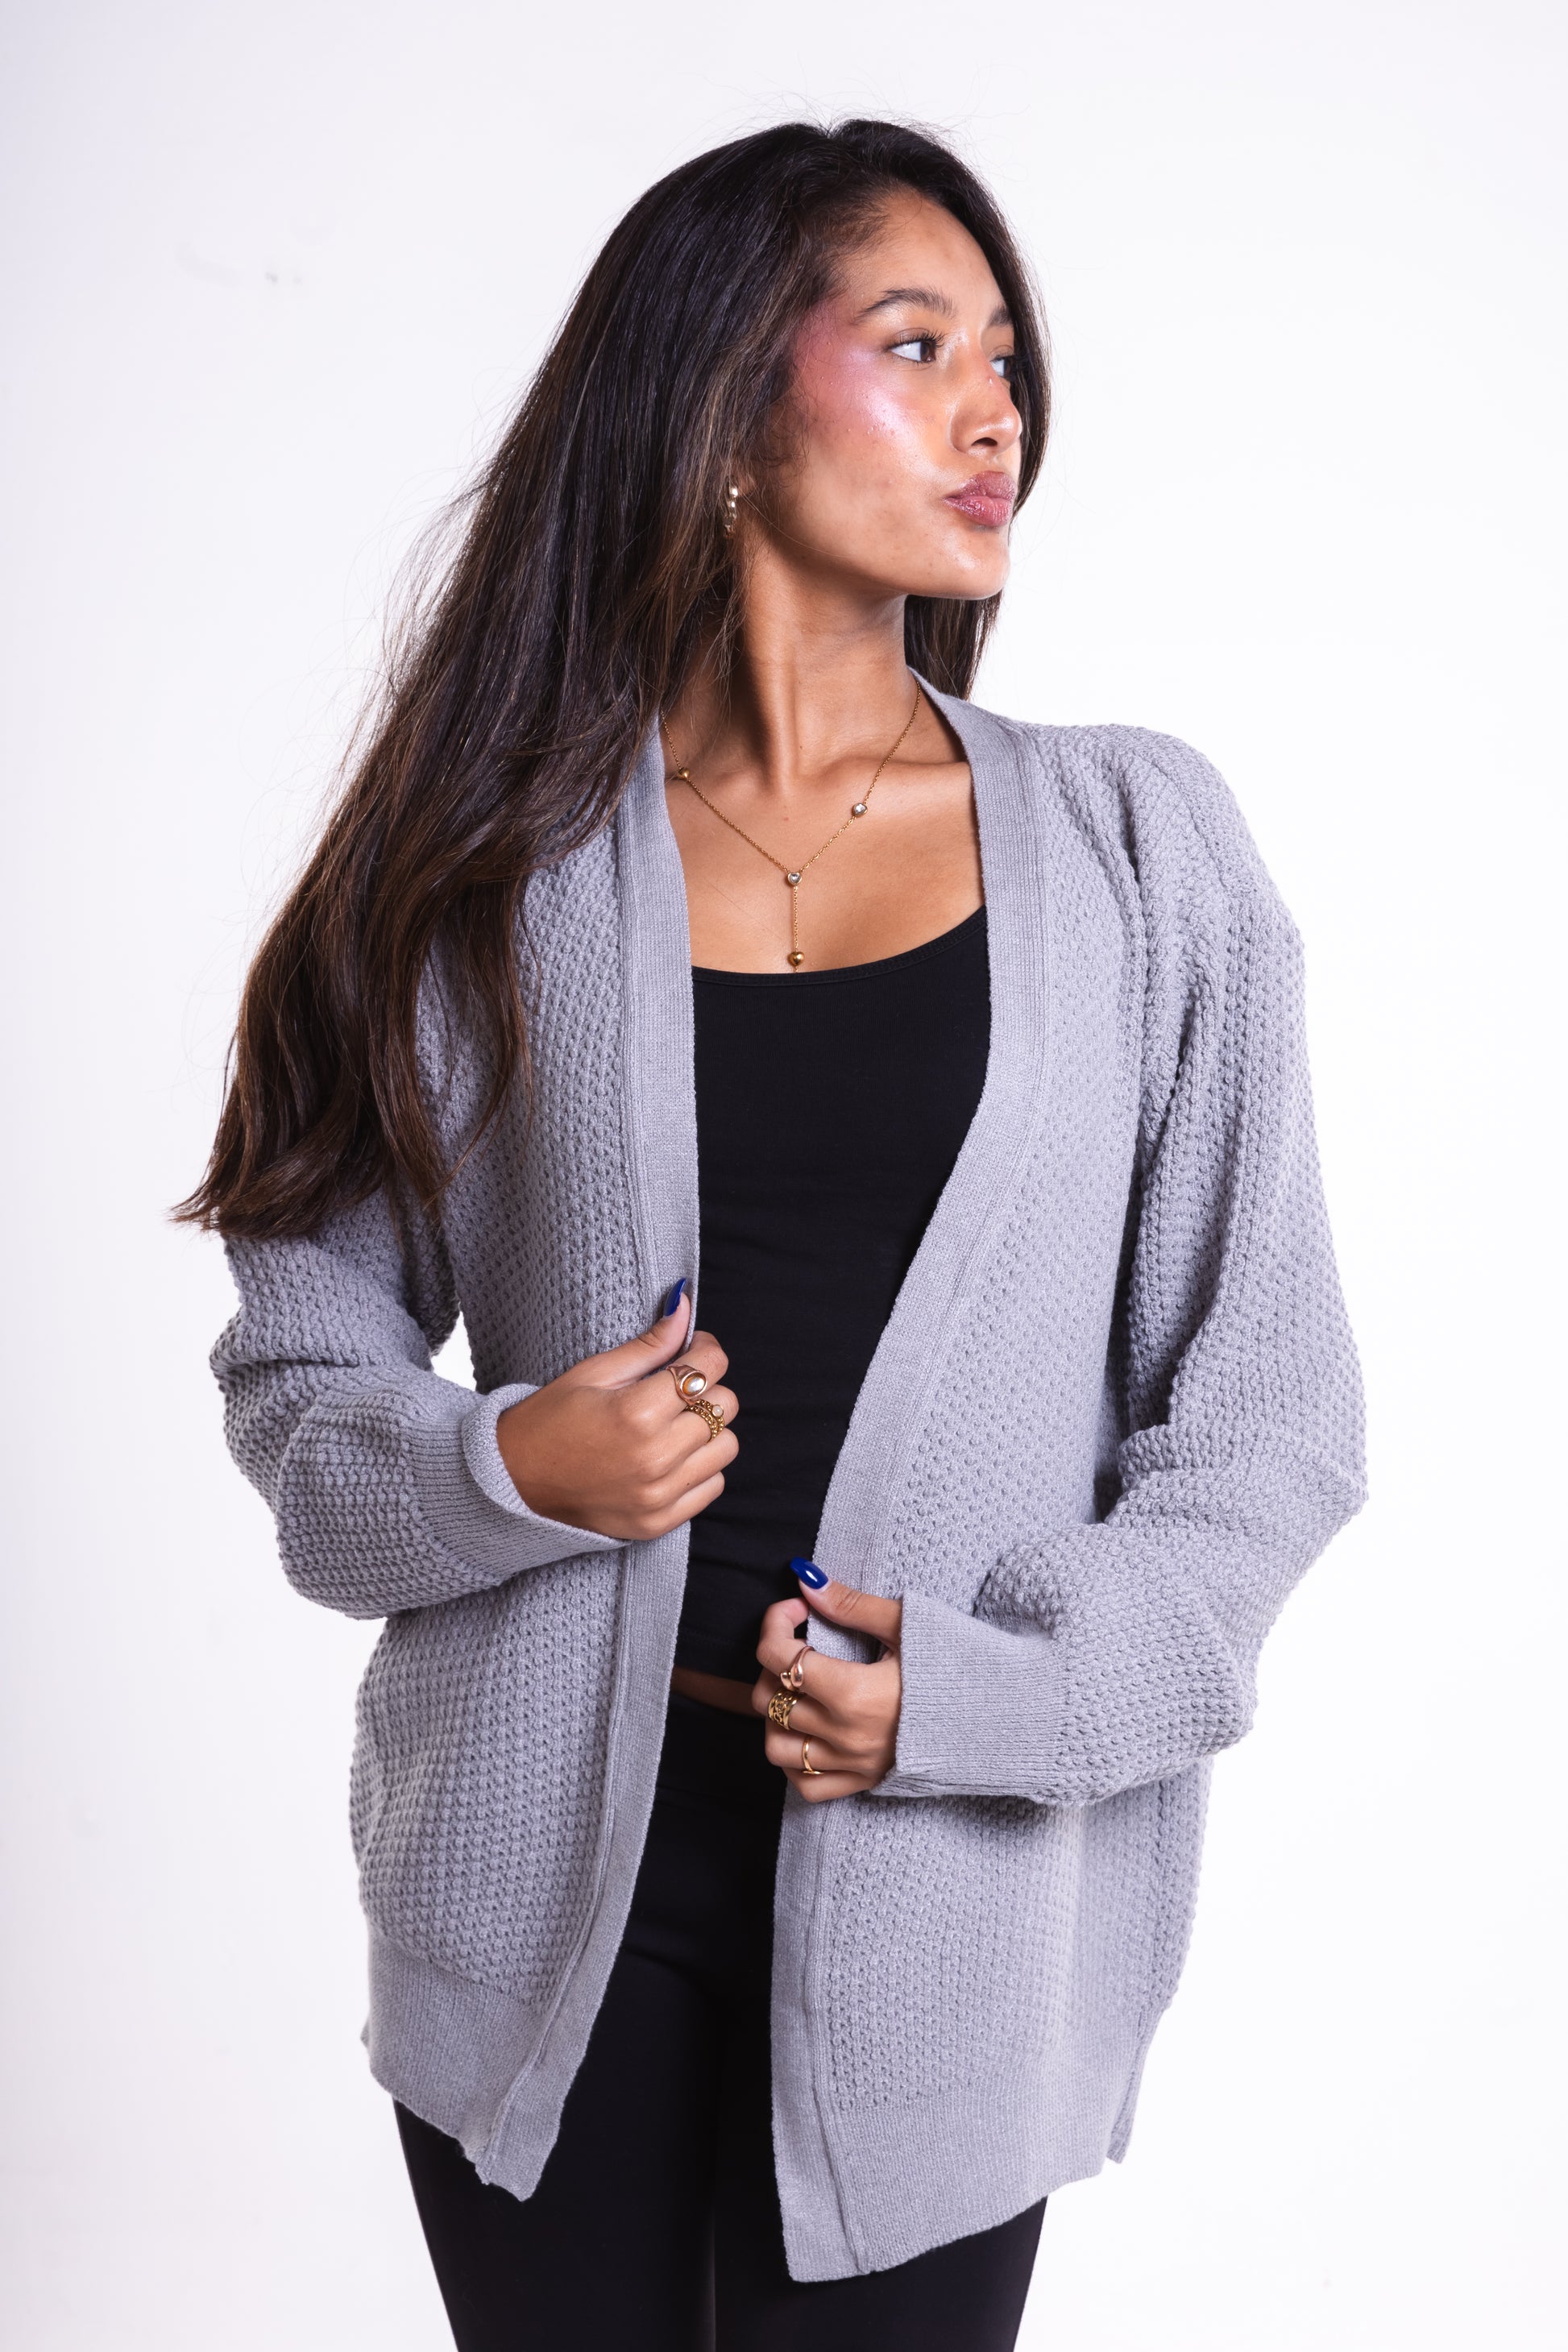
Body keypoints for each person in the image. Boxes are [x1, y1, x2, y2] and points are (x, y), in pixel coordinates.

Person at [184, 118, 1366, 2352]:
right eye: (915, 346)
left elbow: (1265, 1426)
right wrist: (507, 1464)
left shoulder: (1142, 852)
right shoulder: (483, 866)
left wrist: (997, 1696)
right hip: (544, 1889)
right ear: (727, 398)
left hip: (955, 1887)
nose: (993, 412)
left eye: (1004, 356)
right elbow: (301, 1363)